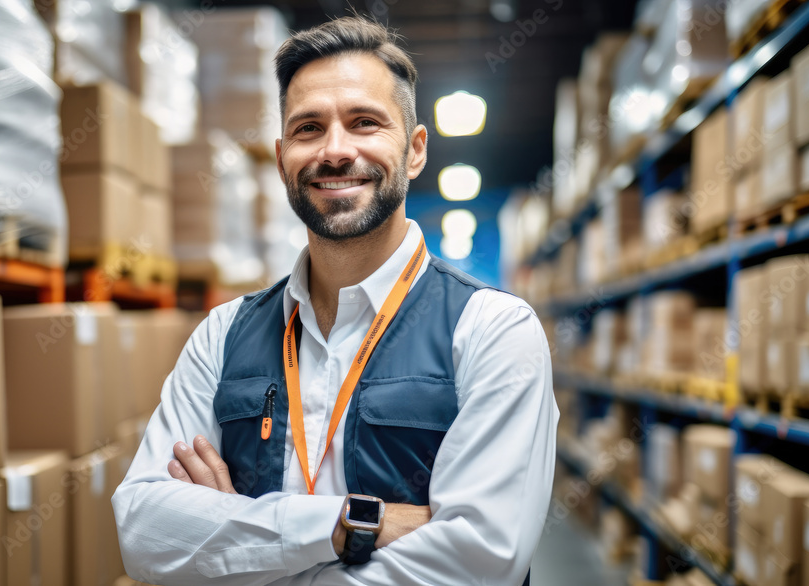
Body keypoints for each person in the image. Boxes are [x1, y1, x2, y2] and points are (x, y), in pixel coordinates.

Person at [113, 16, 558, 586]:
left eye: (365, 122)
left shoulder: (493, 331)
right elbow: (144, 532)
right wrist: (347, 525)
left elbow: (478, 564)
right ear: (280, 158)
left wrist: (234, 549)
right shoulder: (222, 336)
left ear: (415, 150)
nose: (335, 150)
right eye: (308, 129)